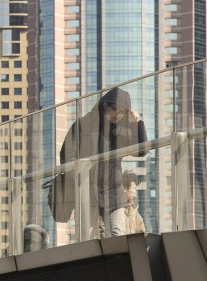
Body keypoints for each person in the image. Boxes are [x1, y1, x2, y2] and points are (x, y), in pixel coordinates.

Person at [61, 87, 147, 238]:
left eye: (122, 112)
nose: (118, 115)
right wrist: (77, 177)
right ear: (106, 105)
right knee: (86, 240)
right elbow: (66, 154)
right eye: (116, 110)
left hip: (114, 192)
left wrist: (138, 123)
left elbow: (141, 151)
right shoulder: (83, 125)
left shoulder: (121, 130)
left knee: (117, 236)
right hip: (87, 192)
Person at [114, 170, 147, 235]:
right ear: (124, 189)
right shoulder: (114, 211)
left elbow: (143, 236)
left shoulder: (135, 214)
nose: (135, 192)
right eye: (134, 188)